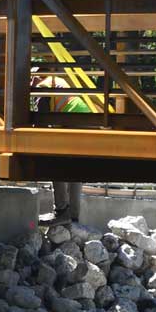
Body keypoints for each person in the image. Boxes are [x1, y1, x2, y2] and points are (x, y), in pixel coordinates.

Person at [33, 68, 93, 223]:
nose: (30, 84)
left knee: (56, 164)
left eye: (32, 79)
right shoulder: (57, 80)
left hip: (72, 122)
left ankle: (61, 210)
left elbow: (42, 122)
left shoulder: (43, 86)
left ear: (38, 77)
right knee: (75, 168)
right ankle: (73, 215)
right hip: (86, 119)